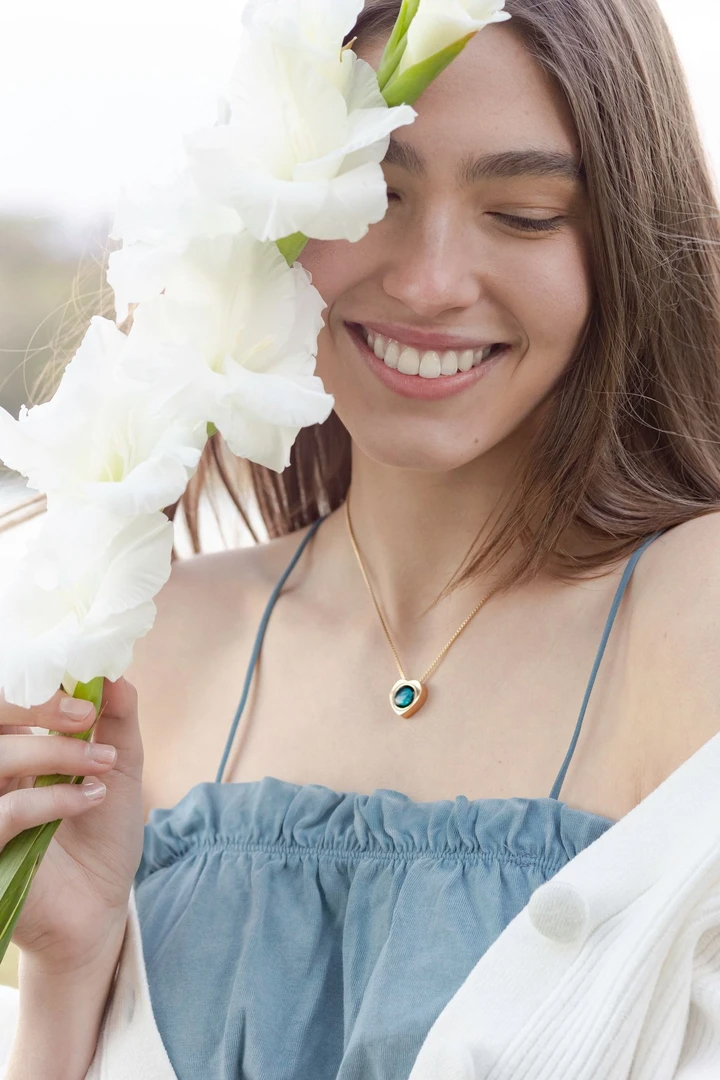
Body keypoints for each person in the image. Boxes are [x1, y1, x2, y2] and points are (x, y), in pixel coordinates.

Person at [3, 0, 720, 1076]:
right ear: (266, 217)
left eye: (523, 214)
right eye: (373, 193)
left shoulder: (694, 619)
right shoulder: (153, 646)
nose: (430, 281)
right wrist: (69, 969)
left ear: (626, 246)